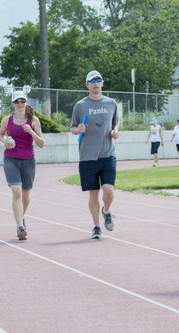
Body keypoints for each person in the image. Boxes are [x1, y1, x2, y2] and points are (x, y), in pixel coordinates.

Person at [71, 70, 120, 239]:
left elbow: (116, 122)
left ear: (102, 84)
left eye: (98, 80)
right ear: (87, 85)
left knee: (108, 190)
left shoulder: (111, 103)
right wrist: (78, 129)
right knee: (94, 194)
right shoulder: (80, 105)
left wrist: (115, 131)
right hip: (87, 156)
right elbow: (72, 128)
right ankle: (96, 226)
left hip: (107, 154)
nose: (95, 83)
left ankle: (106, 211)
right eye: (92, 81)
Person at [0, 91, 44, 240]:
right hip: (10, 159)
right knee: (16, 191)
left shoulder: (34, 120)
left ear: (26, 102)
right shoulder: (7, 120)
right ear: (12, 104)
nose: (20, 104)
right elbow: (0, 134)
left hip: (28, 160)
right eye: (17, 101)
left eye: (22, 101)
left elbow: (41, 143)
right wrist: (5, 142)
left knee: (25, 196)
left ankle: (21, 216)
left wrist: (31, 132)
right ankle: (20, 226)